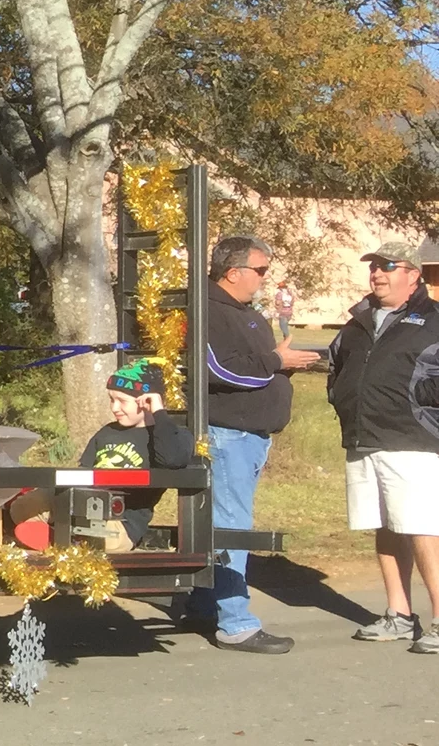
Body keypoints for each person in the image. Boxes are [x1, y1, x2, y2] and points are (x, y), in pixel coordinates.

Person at [199, 234, 316, 654]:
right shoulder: (209, 310)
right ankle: (235, 623)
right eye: (261, 271)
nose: (266, 279)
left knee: (224, 524)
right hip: (229, 434)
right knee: (233, 527)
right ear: (233, 273)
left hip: (252, 435)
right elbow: (218, 371)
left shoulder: (246, 314)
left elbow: (258, 368)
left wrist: (283, 365)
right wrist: (276, 362)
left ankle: (204, 601)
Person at [327, 245, 439, 653]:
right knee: (386, 525)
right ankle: (399, 614)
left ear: (413, 274)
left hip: (413, 441)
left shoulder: (431, 320)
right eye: (374, 266)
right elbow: (338, 367)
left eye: (388, 266)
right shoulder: (356, 321)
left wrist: (422, 401)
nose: (377, 274)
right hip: (363, 437)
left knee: (423, 527)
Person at [79, 357, 196, 551]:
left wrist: (158, 412)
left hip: (121, 525)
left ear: (147, 400)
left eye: (122, 401)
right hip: (83, 510)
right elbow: (82, 472)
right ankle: (44, 531)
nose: (114, 408)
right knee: (37, 500)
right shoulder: (107, 433)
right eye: (111, 400)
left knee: (96, 538)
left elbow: (172, 458)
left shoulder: (172, 436)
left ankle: (53, 535)